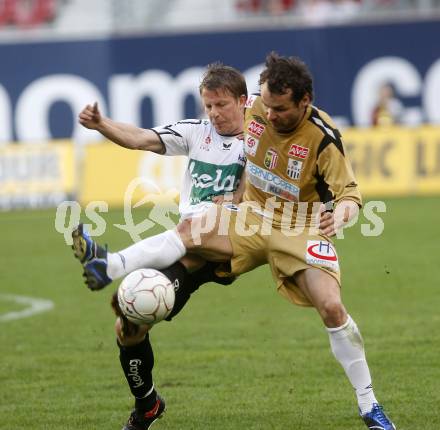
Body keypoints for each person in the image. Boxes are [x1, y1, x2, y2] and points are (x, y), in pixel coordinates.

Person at [82, 52, 395, 429]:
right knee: (180, 244)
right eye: (264, 103)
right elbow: (253, 161)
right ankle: (110, 265)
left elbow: (350, 196)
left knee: (331, 307)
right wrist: (234, 198)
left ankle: (368, 405)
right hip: (249, 219)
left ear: (304, 102)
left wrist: (338, 215)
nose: (268, 114)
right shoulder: (253, 111)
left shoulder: (323, 137)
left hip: (299, 228)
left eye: (279, 108)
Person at [73, 63, 248, 430]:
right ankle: (147, 403)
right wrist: (102, 124)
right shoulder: (196, 132)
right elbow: (139, 138)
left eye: (222, 105)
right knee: (127, 321)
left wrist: (235, 198)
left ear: (243, 101)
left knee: (192, 227)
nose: (214, 113)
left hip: (236, 242)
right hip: (188, 252)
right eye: (208, 105)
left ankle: (110, 263)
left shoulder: (261, 137)